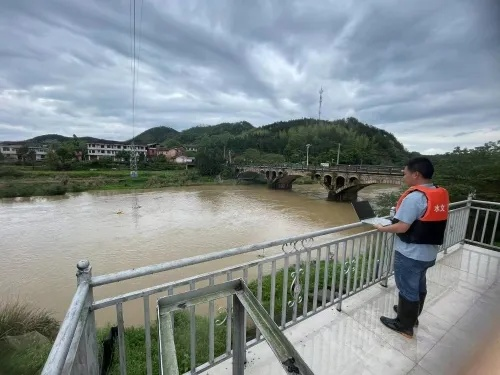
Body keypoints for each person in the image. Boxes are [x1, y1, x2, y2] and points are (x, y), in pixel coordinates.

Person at [373, 157, 449, 338]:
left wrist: (381, 228)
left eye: (405, 173)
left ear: (416, 175)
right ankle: (412, 315)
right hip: (428, 252)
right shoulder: (438, 192)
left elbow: (402, 227)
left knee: (407, 288)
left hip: (410, 253)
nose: (403, 176)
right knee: (419, 285)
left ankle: (404, 324)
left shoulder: (414, 198)